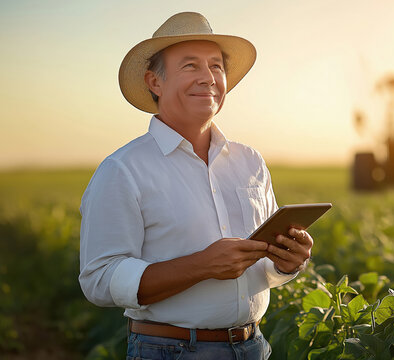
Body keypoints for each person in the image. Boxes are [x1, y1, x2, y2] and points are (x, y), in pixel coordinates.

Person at [78, 12, 312, 359]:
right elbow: (98, 280)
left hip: (254, 347)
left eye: (216, 66)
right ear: (154, 83)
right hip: (169, 350)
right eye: (190, 66)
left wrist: (286, 263)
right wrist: (201, 265)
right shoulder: (123, 169)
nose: (208, 78)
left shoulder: (251, 163)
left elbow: (263, 269)